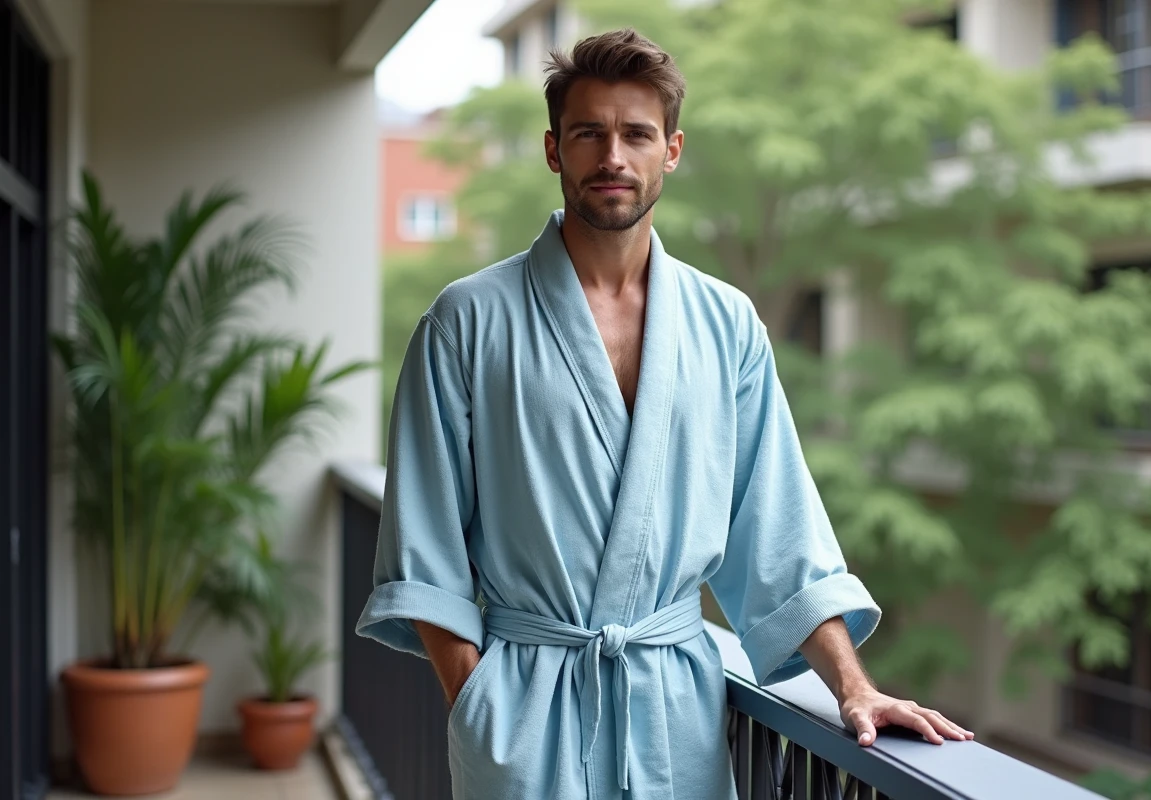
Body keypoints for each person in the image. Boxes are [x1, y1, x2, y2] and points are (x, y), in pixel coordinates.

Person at [356, 26, 972, 800]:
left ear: (671, 151)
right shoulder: (468, 320)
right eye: (589, 133)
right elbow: (425, 541)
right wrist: (480, 704)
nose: (613, 156)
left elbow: (777, 528)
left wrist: (853, 687)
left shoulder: (727, 325)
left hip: (674, 716)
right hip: (523, 713)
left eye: (636, 134)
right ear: (554, 150)